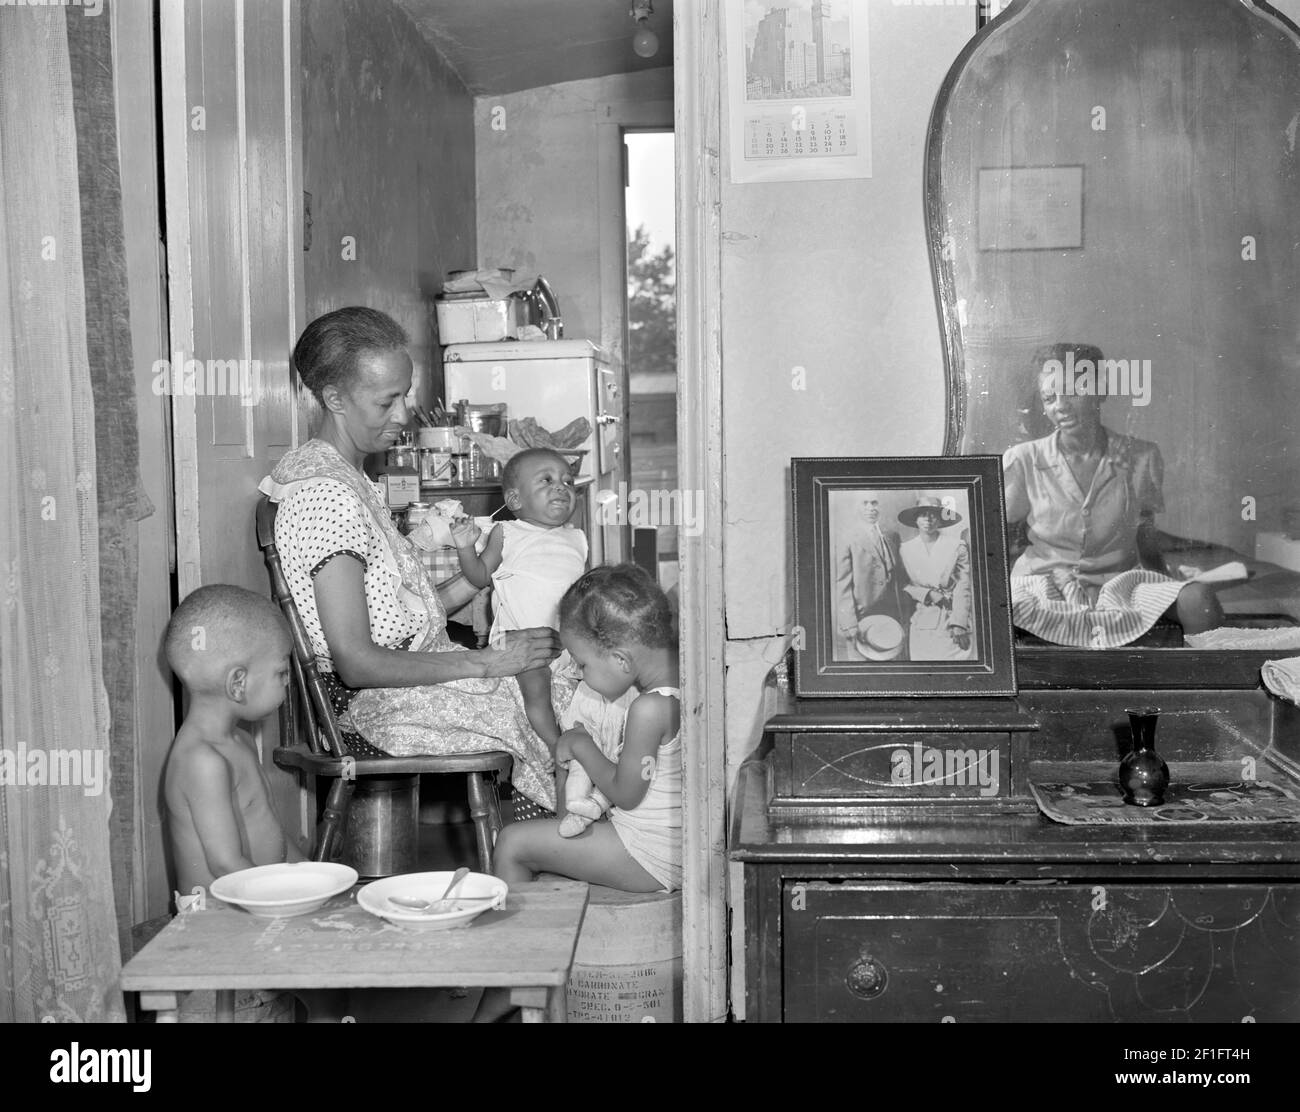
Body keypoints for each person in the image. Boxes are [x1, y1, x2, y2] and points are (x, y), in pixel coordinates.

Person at [258, 307, 573, 817]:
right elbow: (358, 662)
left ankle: (560, 844)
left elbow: (400, 610)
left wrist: (488, 574)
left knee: (565, 678)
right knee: (547, 706)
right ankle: (550, 847)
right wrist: (485, 660)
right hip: (369, 706)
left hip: (406, 677)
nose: (403, 415)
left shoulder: (349, 477)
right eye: (387, 401)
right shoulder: (326, 496)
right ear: (335, 399)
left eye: (404, 395)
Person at [473, 564, 680, 1022]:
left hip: (647, 854)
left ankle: (515, 977)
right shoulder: (679, 684)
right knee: (544, 841)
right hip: (660, 843)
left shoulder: (648, 708)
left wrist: (583, 746)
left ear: (622, 659)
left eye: (583, 664)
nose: (583, 677)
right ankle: (517, 977)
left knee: (513, 841)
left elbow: (626, 793)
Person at [162, 584, 335, 1022]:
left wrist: (314, 879)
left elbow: (268, 832)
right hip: (221, 947)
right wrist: (290, 909)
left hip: (252, 929)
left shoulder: (237, 741)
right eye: (280, 672)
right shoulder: (201, 760)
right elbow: (225, 864)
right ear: (238, 682)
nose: (285, 684)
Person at [1002, 343, 1223, 647]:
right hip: (1044, 584)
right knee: (999, 612)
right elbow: (1001, 537)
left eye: (1071, 392)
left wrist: (1168, 583)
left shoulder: (1141, 456)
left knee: (1199, 599)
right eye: (1049, 398)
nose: (1060, 406)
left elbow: (1144, 534)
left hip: (1118, 584)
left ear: (1100, 390)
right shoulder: (1023, 459)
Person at [453, 448, 588, 749]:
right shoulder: (507, 533)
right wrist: (465, 547)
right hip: (518, 642)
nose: (561, 487)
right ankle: (556, 746)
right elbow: (479, 577)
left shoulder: (577, 538)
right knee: (537, 690)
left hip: (568, 642)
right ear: (515, 500)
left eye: (568, 482)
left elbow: (585, 591)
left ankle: (591, 742)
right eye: (547, 480)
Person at [897, 496, 974, 660]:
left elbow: (963, 585)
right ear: (915, 519)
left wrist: (959, 623)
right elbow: (902, 584)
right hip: (922, 619)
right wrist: (927, 594)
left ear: (940, 519)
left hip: (952, 618)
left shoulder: (957, 546)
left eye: (933, 514)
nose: (928, 518)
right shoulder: (905, 549)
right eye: (923, 514)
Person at [835, 491, 904, 660]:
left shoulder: (891, 536)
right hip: (861, 619)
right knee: (862, 674)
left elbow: (899, 578)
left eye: (874, 503)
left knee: (891, 674)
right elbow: (842, 583)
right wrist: (849, 624)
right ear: (855, 507)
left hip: (890, 616)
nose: (870, 508)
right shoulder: (847, 537)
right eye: (864, 503)